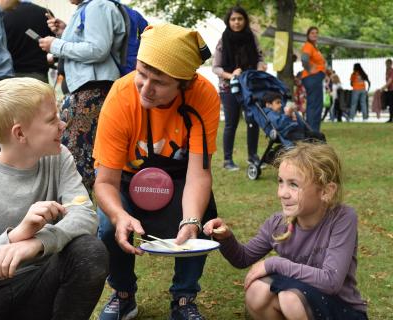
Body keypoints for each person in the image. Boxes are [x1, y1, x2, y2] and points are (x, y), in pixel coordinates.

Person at [0, 77, 108, 320]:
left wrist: (38, 243)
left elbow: (85, 216)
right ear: (20, 134)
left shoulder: (59, 158)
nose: (63, 125)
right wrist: (16, 236)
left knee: (89, 250)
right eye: (51, 120)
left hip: (40, 282)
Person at [93, 23, 220, 320]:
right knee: (109, 225)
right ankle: (123, 294)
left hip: (179, 178)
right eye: (142, 74)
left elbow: (198, 174)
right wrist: (119, 215)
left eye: (159, 82)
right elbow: (105, 182)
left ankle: (184, 299)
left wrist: (189, 220)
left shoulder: (204, 96)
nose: (145, 88)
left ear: (184, 84)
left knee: (201, 216)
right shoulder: (121, 95)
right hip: (125, 180)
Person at [204, 142, 368, 320]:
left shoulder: (342, 218)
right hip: (301, 296)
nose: (282, 193)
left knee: (289, 299)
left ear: (326, 191)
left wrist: (275, 264)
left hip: (343, 310)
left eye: (294, 185)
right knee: (257, 292)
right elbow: (243, 258)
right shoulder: (278, 223)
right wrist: (226, 237)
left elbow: (331, 281)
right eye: (281, 182)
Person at [39, 0, 126, 193]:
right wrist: (65, 32)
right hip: (90, 91)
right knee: (83, 159)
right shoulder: (90, 7)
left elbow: (97, 50)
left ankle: (78, 216)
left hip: (92, 92)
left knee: (77, 162)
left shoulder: (97, 6)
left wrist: (56, 44)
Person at [212, 6, 265, 171]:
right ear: (229, 21)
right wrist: (232, 75)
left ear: (245, 20)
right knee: (231, 123)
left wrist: (261, 67)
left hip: (249, 86)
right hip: (228, 88)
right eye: (233, 19)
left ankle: (253, 156)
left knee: (253, 121)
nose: (236, 22)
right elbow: (216, 67)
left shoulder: (252, 38)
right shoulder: (223, 40)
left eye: (240, 19)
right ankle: (228, 160)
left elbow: (260, 57)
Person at [3, 0, 55, 83]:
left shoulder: (3, 14)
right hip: (39, 76)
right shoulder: (45, 13)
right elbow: (54, 45)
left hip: (10, 77)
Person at [301, 26, 326, 132]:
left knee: (317, 105)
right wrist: (310, 70)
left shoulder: (314, 47)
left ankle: (314, 130)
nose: (315, 34)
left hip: (316, 78)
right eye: (312, 33)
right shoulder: (308, 46)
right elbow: (304, 59)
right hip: (312, 78)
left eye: (316, 33)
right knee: (314, 105)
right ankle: (312, 131)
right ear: (308, 35)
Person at [381, 58, 393, 123]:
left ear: (391, 64)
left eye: (387, 64)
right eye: (386, 64)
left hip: (392, 90)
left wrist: (383, 88)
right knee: (390, 105)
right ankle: (391, 118)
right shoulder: (387, 71)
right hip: (389, 90)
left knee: (391, 105)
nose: (386, 65)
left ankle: (391, 119)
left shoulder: (391, 71)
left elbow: (390, 81)